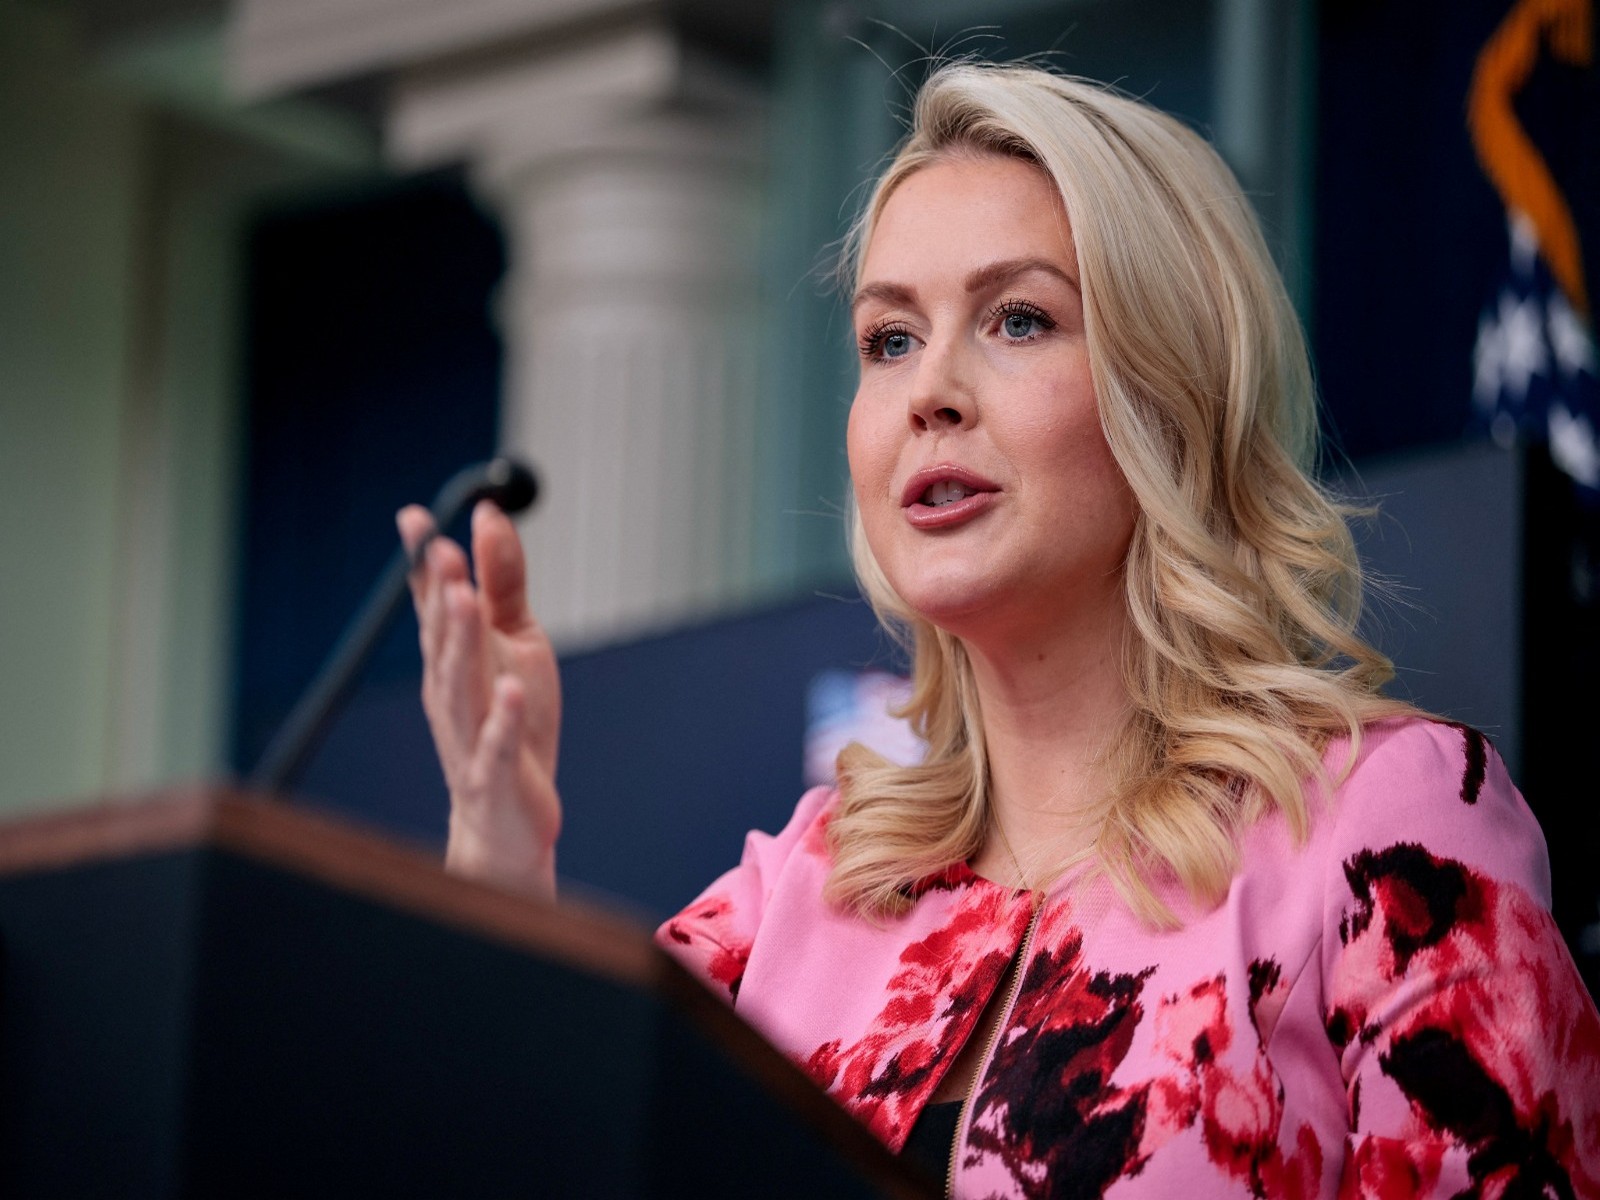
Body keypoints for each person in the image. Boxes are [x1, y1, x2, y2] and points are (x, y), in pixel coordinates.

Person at [398, 60, 1600, 1199]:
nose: (929, 391)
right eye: (889, 340)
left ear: (1171, 394)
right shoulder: (803, 890)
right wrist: (496, 862)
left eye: (1018, 320)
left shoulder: (1383, 827)